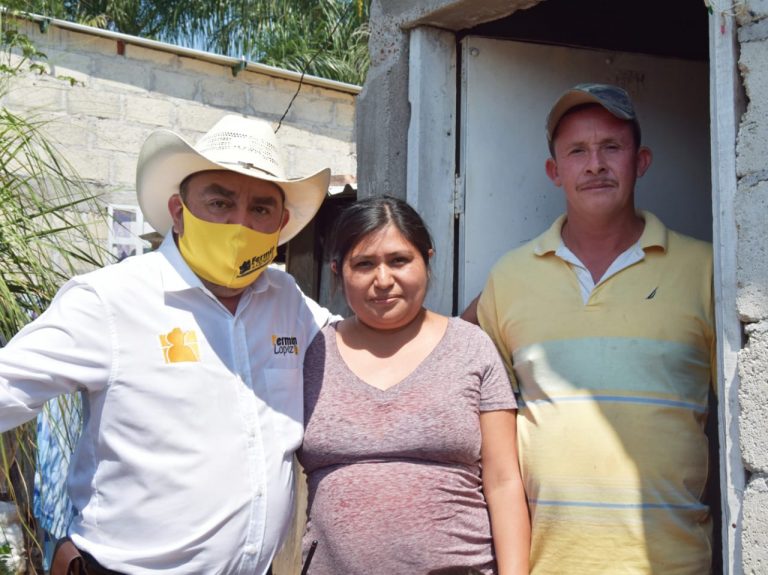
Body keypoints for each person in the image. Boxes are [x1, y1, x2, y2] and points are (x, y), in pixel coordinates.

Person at [0, 115, 335, 574]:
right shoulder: (110, 300)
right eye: (219, 202)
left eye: (260, 209)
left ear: (281, 222)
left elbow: (364, 348)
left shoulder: (287, 301)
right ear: (179, 211)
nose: (239, 223)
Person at [466, 84, 715, 573]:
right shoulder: (511, 276)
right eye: (577, 151)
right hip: (545, 564)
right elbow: (454, 367)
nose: (595, 164)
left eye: (611, 148)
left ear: (640, 162)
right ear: (554, 172)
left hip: (673, 563)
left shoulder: (706, 271)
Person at [297, 196, 530, 574]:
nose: (383, 280)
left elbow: (503, 480)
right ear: (339, 271)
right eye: (364, 264)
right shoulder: (312, 353)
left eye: (399, 260)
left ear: (427, 259)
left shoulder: (471, 347)